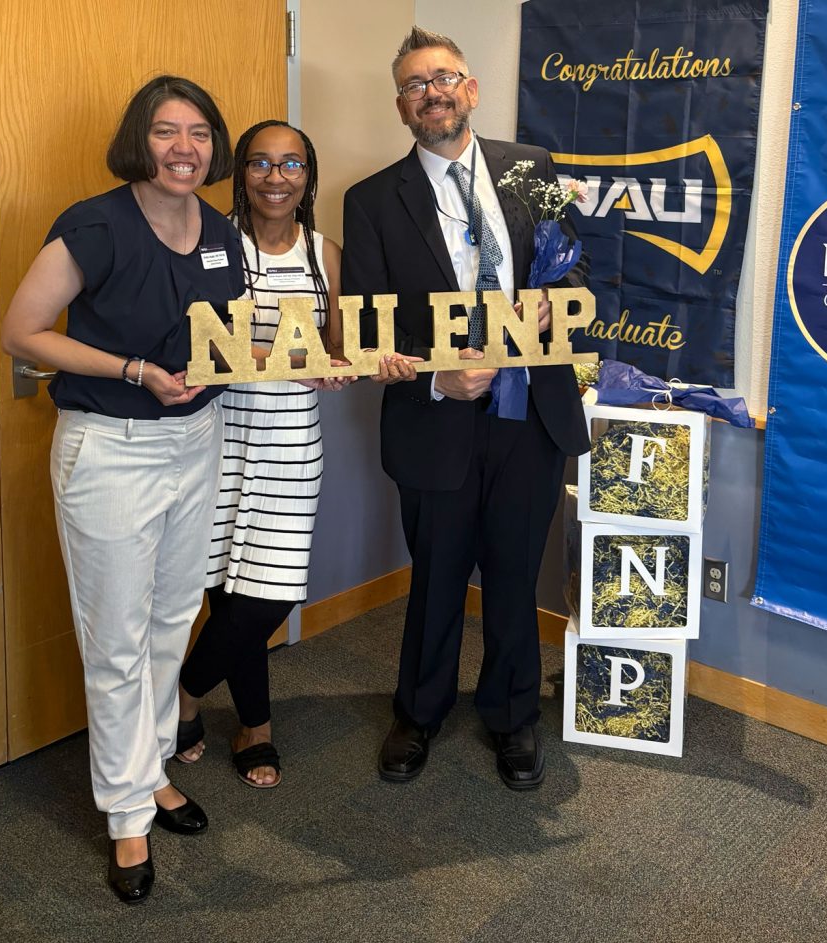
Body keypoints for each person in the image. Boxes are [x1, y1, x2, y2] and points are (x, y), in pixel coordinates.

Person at [1, 76, 242, 904]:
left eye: (200, 132)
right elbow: (20, 330)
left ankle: (147, 775)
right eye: (168, 131)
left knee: (172, 621)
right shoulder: (94, 224)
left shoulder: (221, 232)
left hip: (196, 442)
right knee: (115, 642)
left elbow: (230, 342)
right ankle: (126, 816)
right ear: (139, 140)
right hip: (112, 450)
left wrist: (307, 366)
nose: (185, 147)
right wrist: (134, 369)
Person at [341, 27, 591, 790]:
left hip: (529, 419)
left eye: (444, 78)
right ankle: (418, 711)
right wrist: (434, 380)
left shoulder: (532, 171)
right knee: (439, 574)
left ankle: (514, 716)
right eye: (417, 85)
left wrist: (557, 308)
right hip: (435, 420)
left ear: (471, 90)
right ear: (402, 107)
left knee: (514, 575)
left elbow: (581, 283)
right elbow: (367, 324)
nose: (434, 93)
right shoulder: (373, 199)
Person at [174, 121, 349, 789]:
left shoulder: (324, 253)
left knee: (266, 596)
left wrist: (348, 367)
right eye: (260, 163)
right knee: (225, 592)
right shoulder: (208, 242)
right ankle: (256, 724)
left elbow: (340, 348)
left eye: (292, 164)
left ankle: (183, 695)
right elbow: (188, 339)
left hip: (290, 440)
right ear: (240, 171)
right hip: (212, 435)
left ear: (309, 175)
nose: (276, 177)